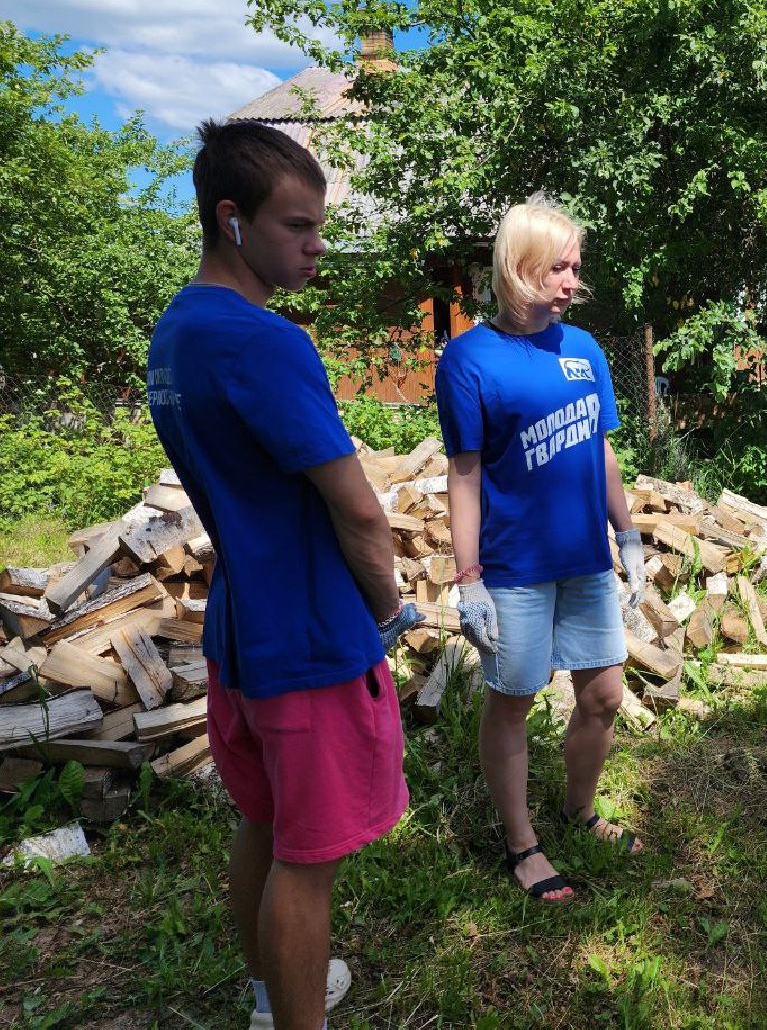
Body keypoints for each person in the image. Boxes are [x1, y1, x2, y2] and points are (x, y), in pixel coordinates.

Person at [147, 120, 421, 1030]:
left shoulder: (177, 332)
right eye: (298, 227)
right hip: (306, 633)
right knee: (309, 858)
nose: (317, 246)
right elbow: (357, 508)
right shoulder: (263, 341)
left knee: (261, 825)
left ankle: (269, 995)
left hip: (238, 628)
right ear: (232, 220)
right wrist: (388, 611)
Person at [437, 193, 645, 903]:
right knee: (514, 701)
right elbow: (463, 473)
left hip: (585, 559)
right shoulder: (468, 359)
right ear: (518, 266)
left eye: (575, 267)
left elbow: (603, 451)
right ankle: (522, 843)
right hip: (515, 570)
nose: (571, 281)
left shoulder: (583, 349)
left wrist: (629, 533)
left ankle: (579, 811)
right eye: (558, 267)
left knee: (605, 696)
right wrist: (469, 578)